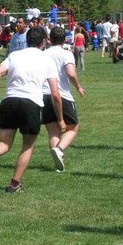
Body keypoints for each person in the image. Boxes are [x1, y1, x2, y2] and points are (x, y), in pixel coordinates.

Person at [0, 26, 64, 193]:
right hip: (31, 103)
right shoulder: (47, 60)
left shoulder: (14, 55)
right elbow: (55, 94)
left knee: (4, 144)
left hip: (9, 101)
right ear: (44, 41)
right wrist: (60, 119)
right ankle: (14, 184)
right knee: (27, 146)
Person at [43, 27, 85, 172]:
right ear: (65, 39)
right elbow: (71, 73)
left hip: (44, 95)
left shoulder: (44, 54)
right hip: (62, 94)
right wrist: (78, 87)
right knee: (73, 127)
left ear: (49, 38)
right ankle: (60, 150)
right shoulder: (66, 54)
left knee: (53, 131)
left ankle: (58, 164)